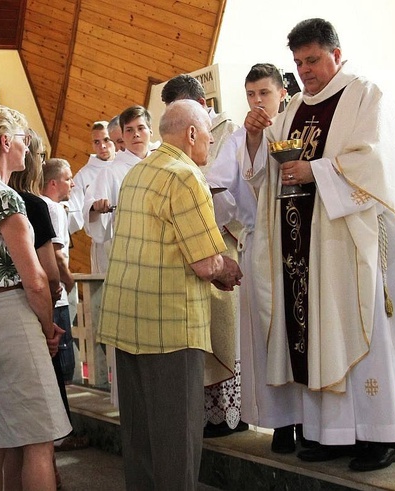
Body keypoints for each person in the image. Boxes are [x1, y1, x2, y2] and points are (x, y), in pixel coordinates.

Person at [247, 18, 395, 471]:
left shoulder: (367, 96)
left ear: (336, 53)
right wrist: (258, 136)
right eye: (298, 63)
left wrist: (315, 171)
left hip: (357, 242)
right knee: (319, 333)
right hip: (308, 247)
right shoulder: (293, 105)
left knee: (366, 330)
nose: (306, 70)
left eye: (313, 60)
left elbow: (378, 163)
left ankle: (383, 436)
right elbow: (267, 167)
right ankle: (332, 433)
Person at [98, 99, 243, 490]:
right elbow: (204, 262)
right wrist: (228, 268)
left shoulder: (138, 172)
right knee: (176, 439)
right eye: (208, 136)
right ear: (192, 133)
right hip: (169, 327)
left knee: (141, 438)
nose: (210, 144)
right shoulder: (185, 175)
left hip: (128, 322)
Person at [0, 103, 71, 490]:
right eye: (22, 139)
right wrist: (46, 329)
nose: (27, 148)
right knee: (39, 439)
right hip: (10, 316)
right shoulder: (3, 196)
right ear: (6, 142)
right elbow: (36, 280)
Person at [205, 63, 311, 451]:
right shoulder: (237, 137)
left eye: (264, 93)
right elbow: (219, 186)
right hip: (261, 244)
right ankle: (281, 423)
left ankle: (311, 423)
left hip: (302, 242)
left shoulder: (300, 123)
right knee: (268, 335)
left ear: (282, 92)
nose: (257, 102)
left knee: (304, 330)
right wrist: (234, 221)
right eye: (250, 95)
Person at [161, 73, 245, 439]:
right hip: (191, 246)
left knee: (225, 326)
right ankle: (205, 412)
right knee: (200, 329)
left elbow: (241, 188)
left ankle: (230, 412)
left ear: (202, 107)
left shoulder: (233, 133)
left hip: (224, 241)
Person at [82, 105, 154, 273]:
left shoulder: (163, 166)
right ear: (122, 135)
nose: (135, 134)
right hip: (129, 256)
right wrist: (95, 208)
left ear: (151, 132)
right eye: (129, 130)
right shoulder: (111, 172)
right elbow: (89, 209)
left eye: (141, 128)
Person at [41, 158, 77, 385]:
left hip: (48, 296)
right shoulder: (53, 208)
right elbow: (56, 254)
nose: (72, 184)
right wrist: (69, 281)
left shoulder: (40, 204)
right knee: (64, 367)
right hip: (57, 296)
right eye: (68, 179)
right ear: (53, 183)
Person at [66, 121, 116, 265]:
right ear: (92, 145)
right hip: (103, 242)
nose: (102, 146)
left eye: (106, 140)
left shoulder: (124, 165)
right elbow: (74, 206)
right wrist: (93, 207)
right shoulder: (84, 175)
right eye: (97, 142)